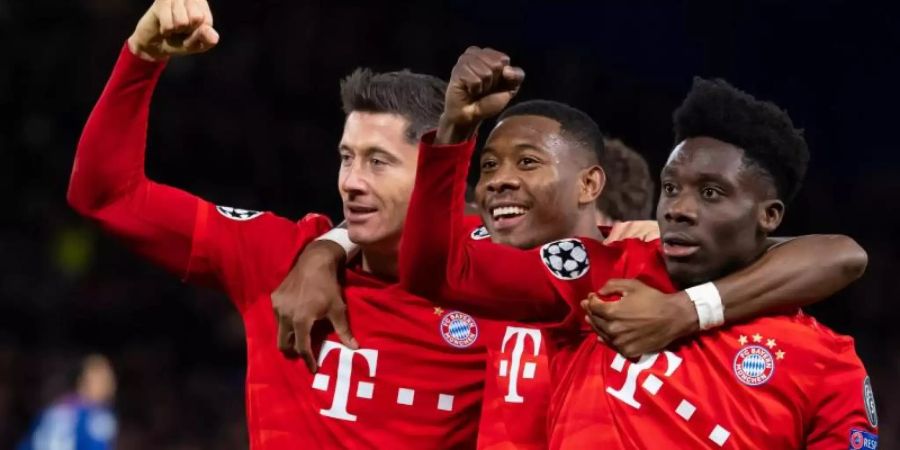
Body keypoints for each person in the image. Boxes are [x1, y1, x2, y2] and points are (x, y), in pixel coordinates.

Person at [278, 47, 869, 449]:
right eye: (671, 189)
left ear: (768, 218)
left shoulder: (824, 362)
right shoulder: (603, 269)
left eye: (711, 193)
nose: (680, 208)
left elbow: (844, 254)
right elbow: (440, 272)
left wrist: (688, 311)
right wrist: (451, 135)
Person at [67, 1, 491, 447]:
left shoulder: (502, 290)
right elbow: (106, 195)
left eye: (378, 162)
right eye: (347, 158)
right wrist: (142, 56)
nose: (352, 182)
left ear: (436, 172)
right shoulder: (276, 256)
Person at [17, 355, 117, 450]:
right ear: (83, 382)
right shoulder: (97, 417)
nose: (111, 386)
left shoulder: (49, 412)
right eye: (105, 380)